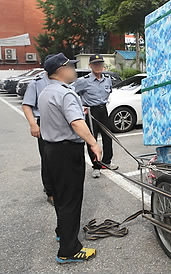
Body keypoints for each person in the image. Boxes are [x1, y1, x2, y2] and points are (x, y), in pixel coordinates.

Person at [38, 53, 102, 264]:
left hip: (51, 150)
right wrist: (93, 143)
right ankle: (69, 250)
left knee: (61, 196)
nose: (74, 70)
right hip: (67, 152)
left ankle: (62, 232)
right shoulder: (66, 94)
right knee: (71, 199)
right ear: (60, 70)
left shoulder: (46, 91)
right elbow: (76, 123)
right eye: (71, 66)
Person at [74, 54, 118, 178]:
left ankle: (107, 162)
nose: (98, 66)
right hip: (91, 112)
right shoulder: (84, 81)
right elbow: (70, 93)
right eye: (95, 64)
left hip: (103, 110)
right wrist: (80, 106)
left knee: (108, 137)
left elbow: (108, 93)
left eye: (100, 64)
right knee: (91, 139)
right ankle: (96, 166)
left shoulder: (107, 79)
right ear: (90, 66)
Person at [22, 55, 53, 205]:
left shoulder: (65, 82)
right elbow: (26, 104)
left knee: (61, 157)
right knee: (47, 158)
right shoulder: (37, 83)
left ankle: (61, 186)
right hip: (44, 123)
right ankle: (50, 192)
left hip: (62, 124)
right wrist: (33, 124)